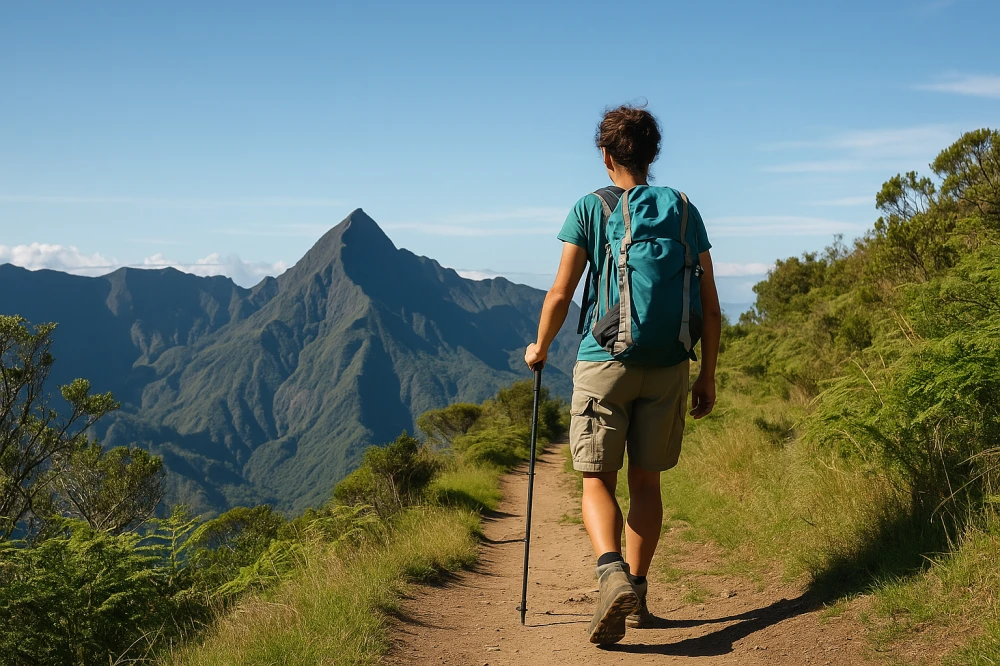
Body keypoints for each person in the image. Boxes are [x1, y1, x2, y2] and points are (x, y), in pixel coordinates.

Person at [525, 104, 721, 645]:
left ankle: (611, 576)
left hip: (605, 361)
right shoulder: (683, 210)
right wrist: (706, 375)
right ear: (653, 156)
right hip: (668, 366)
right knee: (647, 482)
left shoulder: (589, 209)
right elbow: (709, 306)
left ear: (606, 154)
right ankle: (638, 593)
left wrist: (539, 347)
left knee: (596, 479)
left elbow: (562, 293)